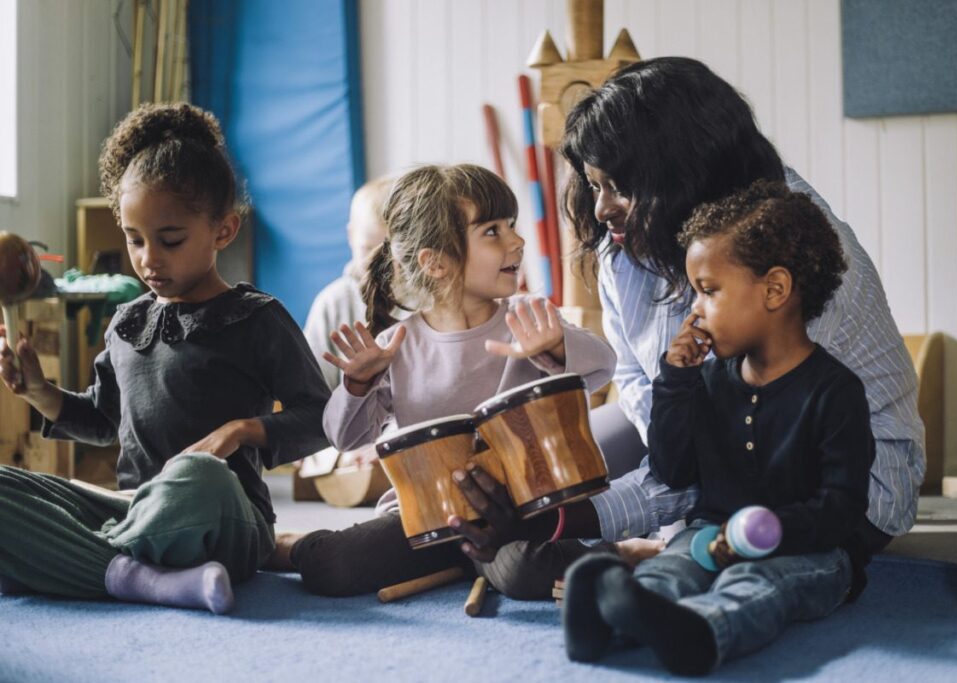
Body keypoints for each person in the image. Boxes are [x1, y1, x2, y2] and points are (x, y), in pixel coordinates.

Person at [451, 56, 923, 592]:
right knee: (526, 481)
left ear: (680, 175)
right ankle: (594, 545)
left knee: (539, 537)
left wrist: (578, 516)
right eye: (594, 185)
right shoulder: (630, 242)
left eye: (617, 187)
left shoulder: (782, 258)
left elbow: (719, 465)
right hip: (693, 436)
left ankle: (635, 557)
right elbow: (635, 382)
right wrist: (552, 493)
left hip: (817, 483)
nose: (602, 209)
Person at [0, 103, 330, 613]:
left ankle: (74, 562)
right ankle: (136, 572)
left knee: (199, 475)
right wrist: (40, 392)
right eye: (134, 240)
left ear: (223, 231)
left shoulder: (255, 318)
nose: (149, 258)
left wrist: (244, 430)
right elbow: (102, 421)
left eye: (169, 240)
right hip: (136, 508)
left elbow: (321, 420)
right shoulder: (127, 322)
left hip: (223, 511)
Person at [563, 180, 875, 675]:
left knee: (756, 586)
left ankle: (701, 633)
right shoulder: (708, 379)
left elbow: (840, 509)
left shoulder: (835, 392)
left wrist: (762, 536)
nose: (696, 309)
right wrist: (676, 380)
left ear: (775, 290)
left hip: (810, 551)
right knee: (672, 567)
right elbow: (674, 468)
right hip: (709, 535)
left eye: (708, 291)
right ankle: (610, 619)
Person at [276, 163, 617, 596]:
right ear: (435, 262)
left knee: (522, 572)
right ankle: (284, 546)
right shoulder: (396, 344)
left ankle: (620, 555)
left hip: (517, 516)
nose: (517, 240)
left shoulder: (527, 318)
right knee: (330, 566)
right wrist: (356, 386)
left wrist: (553, 347)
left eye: (511, 225)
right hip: (426, 519)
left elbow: (604, 366)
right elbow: (342, 438)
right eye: (492, 231)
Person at [304, 176, 395, 392]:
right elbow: (314, 388)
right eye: (367, 249)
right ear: (351, 236)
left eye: (389, 253)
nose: (378, 265)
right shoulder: (332, 303)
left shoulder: (424, 297)